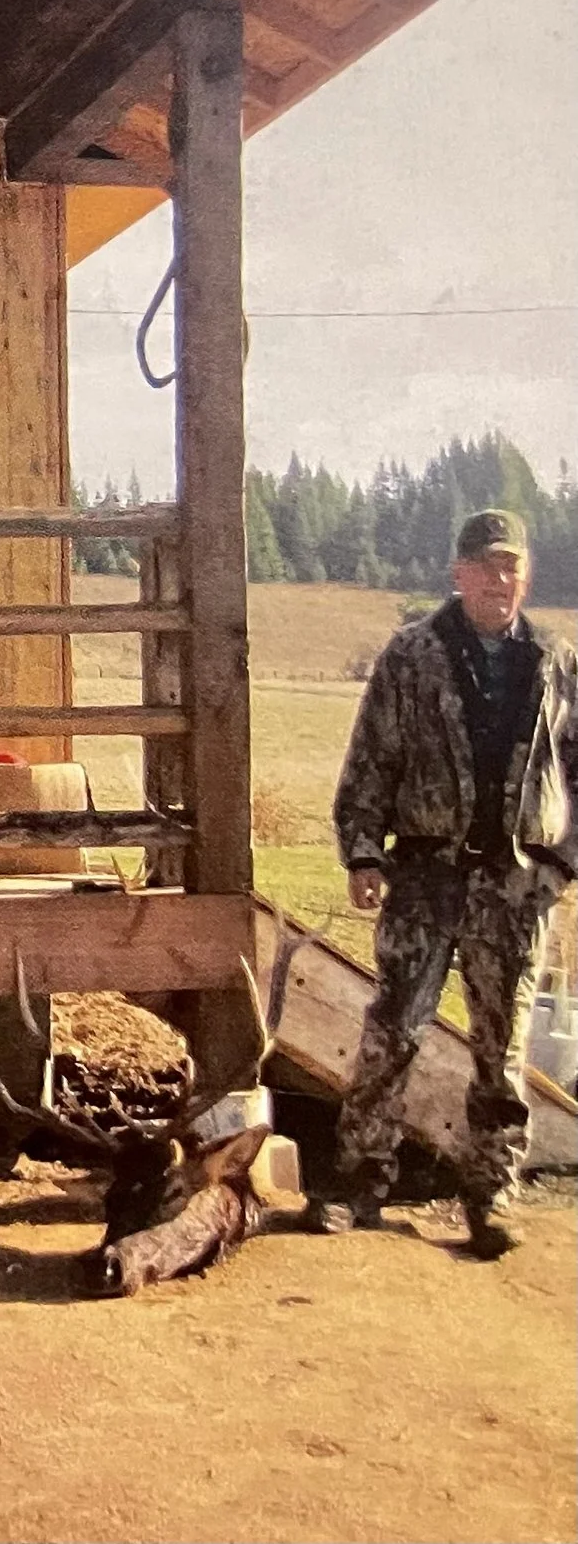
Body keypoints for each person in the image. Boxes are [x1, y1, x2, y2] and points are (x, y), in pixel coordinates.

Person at [308, 509, 576, 1257]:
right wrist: (364, 852)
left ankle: (492, 1197)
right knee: (393, 1032)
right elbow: (371, 761)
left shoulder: (555, 662)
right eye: (486, 565)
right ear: (457, 573)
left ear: (526, 575)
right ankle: (359, 1184)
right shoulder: (412, 655)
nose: (500, 579)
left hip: (516, 887)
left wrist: (560, 864)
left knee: (503, 1047)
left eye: (512, 566)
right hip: (425, 876)